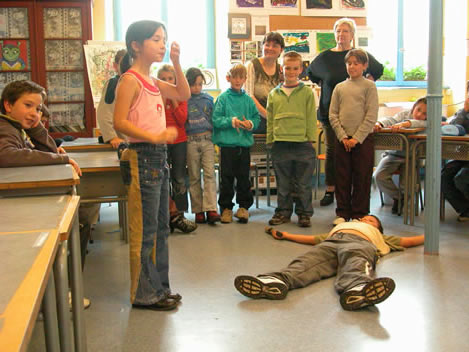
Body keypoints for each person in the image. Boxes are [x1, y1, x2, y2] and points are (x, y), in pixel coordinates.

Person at [114, 20, 191, 311]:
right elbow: (120, 123)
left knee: (160, 227)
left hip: (158, 156)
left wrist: (177, 61)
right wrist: (155, 135)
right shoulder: (130, 80)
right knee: (145, 229)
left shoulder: (152, 81)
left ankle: (159, 288)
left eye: (164, 40)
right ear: (136, 45)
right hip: (142, 155)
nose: (162, 44)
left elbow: (183, 94)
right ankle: (144, 294)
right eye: (156, 40)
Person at [0, 79, 93, 308]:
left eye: (38, 108)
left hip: (21, 198)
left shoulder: (17, 127)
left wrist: (36, 128)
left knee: (82, 214)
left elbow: (48, 150)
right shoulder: (4, 128)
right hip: (12, 206)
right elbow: (7, 156)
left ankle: (62, 288)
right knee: (77, 221)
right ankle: (62, 292)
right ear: (8, 105)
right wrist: (61, 158)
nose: (34, 113)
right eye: (28, 105)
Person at [234, 215, 424, 311]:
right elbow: (314, 239)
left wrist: (431, 236)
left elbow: (409, 241)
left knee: (356, 262)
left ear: (378, 228)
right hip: (332, 242)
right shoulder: (341, 226)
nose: (365, 219)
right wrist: (285, 236)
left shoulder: (380, 236)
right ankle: (276, 281)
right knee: (307, 261)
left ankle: (357, 288)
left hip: (360, 244)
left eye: (371, 220)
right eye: (364, 217)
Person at [307, 18, 383, 207]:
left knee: (357, 153)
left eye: (346, 31)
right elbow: (311, 73)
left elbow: (378, 69)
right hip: (331, 113)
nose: (341, 34)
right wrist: (324, 84)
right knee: (334, 152)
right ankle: (332, 189)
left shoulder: (359, 55)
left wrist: (369, 79)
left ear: (352, 34)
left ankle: (355, 196)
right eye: (338, 31)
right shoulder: (324, 57)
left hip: (357, 115)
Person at [266, 51, 316, 227]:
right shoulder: (274, 93)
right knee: (283, 183)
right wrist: (270, 138)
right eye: (288, 68)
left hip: (302, 144)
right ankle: (283, 212)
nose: (291, 71)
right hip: (280, 143)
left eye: (295, 68)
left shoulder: (307, 93)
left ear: (301, 69)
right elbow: (271, 119)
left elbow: (311, 116)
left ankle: (304, 214)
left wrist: (311, 138)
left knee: (303, 183)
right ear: (282, 69)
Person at [329, 48, 379, 225]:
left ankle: (359, 214)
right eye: (349, 63)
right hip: (342, 139)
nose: (352, 67)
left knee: (362, 177)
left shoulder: (369, 86)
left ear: (364, 66)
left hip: (362, 140)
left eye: (356, 63)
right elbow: (333, 114)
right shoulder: (339, 87)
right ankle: (342, 212)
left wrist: (356, 138)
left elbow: (371, 115)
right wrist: (343, 137)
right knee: (342, 176)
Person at [212, 63, 260, 224]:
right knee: (226, 179)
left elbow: (256, 118)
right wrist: (231, 121)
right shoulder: (223, 99)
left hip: (244, 146)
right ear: (228, 78)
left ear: (245, 79)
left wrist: (250, 124)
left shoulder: (248, 100)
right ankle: (226, 209)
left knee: (243, 179)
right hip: (227, 147)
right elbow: (216, 119)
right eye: (235, 77)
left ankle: (243, 208)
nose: (238, 80)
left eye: (241, 77)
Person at [373, 97, 428, 214]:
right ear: (413, 107)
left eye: (424, 113)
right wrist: (379, 123)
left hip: (412, 157)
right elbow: (391, 120)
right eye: (418, 110)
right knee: (378, 176)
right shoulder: (404, 114)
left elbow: (422, 123)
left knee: (408, 186)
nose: (419, 114)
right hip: (393, 155)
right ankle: (398, 198)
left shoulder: (427, 121)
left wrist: (406, 124)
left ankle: (405, 200)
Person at [184, 67, 220, 224]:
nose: (197, 88)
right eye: (193, 85)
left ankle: (211, 208)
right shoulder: (184, 99)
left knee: (210, 174)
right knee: (193, 176)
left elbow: (214, 119)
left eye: (200, 84)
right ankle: (198, 210)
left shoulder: (208, 99)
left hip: (207, 140)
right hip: (190, 141)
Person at [157, 64, 191, 227]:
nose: (167, 82)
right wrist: (163, 101)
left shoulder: (182, 97)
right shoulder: (156, 98)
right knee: (163, 176)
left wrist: (175, 101)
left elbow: (181, 119)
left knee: (179, 177)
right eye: (163, 79)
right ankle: (166, 211)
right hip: (162, 141)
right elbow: (156, 118)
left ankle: (180, 212)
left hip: (179, 142)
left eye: (170, 79)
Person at [245, 32, 284, 134]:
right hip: (255, 118)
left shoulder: (280, 69)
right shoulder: (251, 65)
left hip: (274, 119)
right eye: (267, 45)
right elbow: (249, 95)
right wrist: (267, 115)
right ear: (262, 47)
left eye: (275, 46)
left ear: (281, 50)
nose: (270, 48)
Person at [441, 85, 469, 222]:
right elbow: (453, 128)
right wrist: (465, 111)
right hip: (463, 155)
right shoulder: (463, 113)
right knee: (445, 176)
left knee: (462, 177)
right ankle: (465, 209)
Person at [97, 49, 127, 149]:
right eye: (123, 63)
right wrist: (112, 137)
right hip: (121, 143)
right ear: (115, 66)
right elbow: (104, 113)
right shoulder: (113, 84)